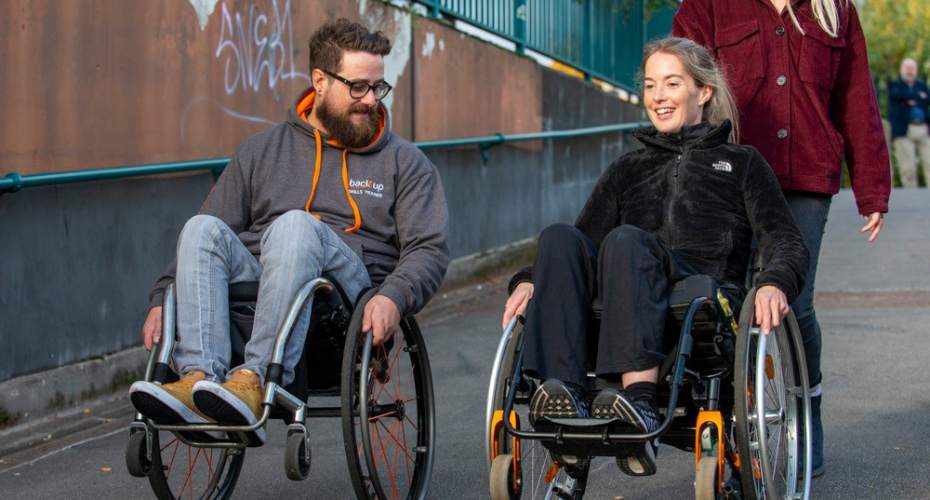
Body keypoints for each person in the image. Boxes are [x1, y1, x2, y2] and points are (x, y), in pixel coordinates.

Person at [129, 18, 449, 445]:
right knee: (202, 228)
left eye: (378, 88)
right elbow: (214, 224)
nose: (370, 100)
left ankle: (254, 379)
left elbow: (428, 248)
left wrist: (395, 295)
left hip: (344, 303)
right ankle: (199, 379)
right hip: (261, 291)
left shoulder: (404, 163)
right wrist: (163, 296)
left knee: (296, 224)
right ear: (319, 80)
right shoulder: (262, 151)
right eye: (358, 87)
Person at [500, 37, 808, 477]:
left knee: (626, 240)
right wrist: (532, 278)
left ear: (703, 92)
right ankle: (563, 393)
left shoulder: (741, 163)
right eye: (650, 86)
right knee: (558, 237)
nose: (658, 97)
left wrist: (775, 280)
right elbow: (582, 239)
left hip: (700, 293)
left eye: (671, 83)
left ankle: (640, 403)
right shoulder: (628, 168)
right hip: (626, 288)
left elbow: (786, 239)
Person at [672, 0, 892, 477]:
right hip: (729, 173)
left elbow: (857, 99)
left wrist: (872, 188)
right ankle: (734, 427)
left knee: (794, 301)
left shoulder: (836, 12)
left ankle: (804, 412)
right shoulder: (709, 6)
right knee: (731, 301)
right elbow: (681, 74)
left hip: (805, 178)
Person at [888, 58, 930, 188]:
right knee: (908, 169)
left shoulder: (922, 85)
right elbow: (897, 95)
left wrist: (908, 100)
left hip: (923, 129)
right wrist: (917, 96)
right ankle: (912, 201)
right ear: (901, 69)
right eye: (907, 68)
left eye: (912, 68)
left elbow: (927, 98)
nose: (910, 71)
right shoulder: (895, 85)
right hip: (904, 131)